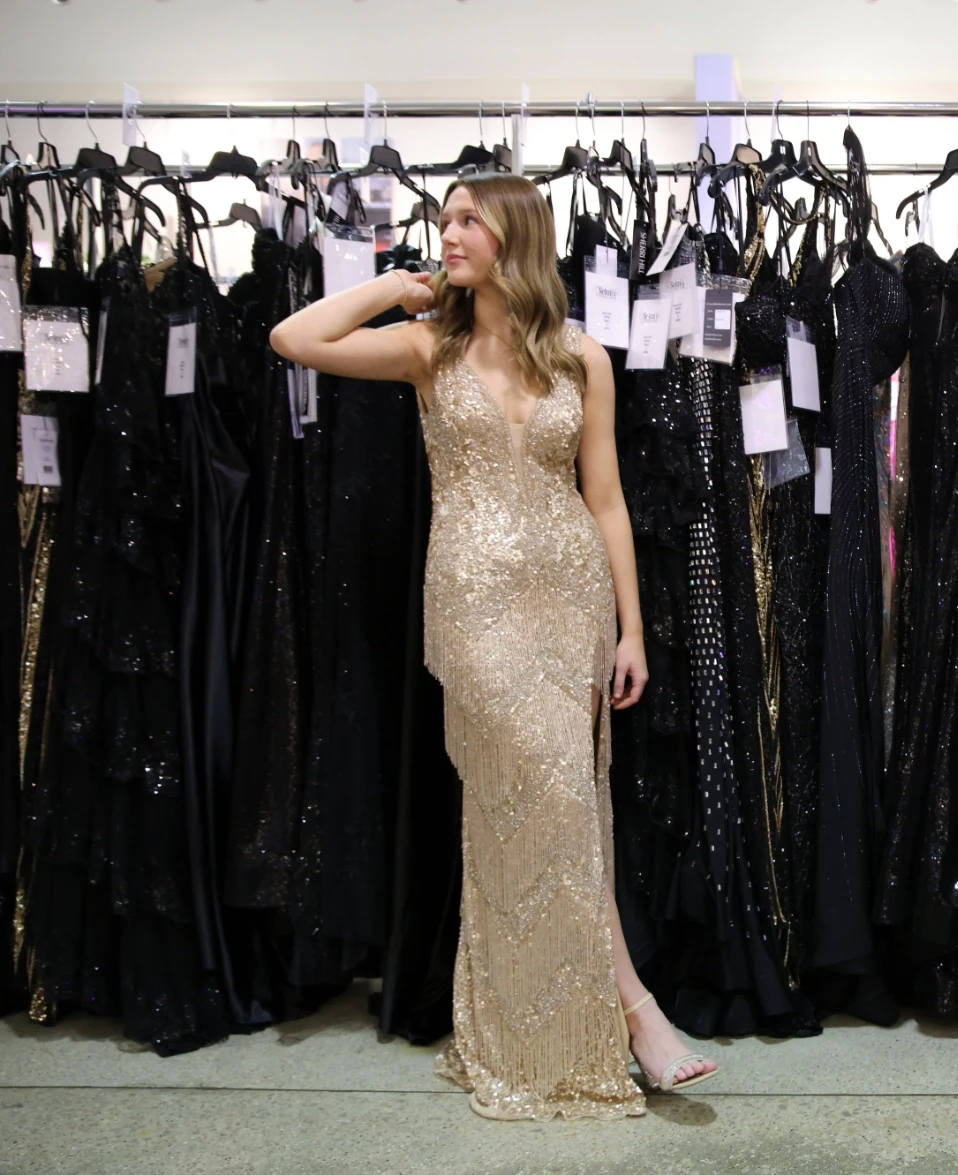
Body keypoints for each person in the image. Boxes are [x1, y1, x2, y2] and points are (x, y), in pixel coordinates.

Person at [271, 173, 717, 1120]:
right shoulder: (425, 348)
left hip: (570, 598)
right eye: (443, 220)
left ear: (515, 234)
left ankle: (545, 1029)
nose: (449, 233)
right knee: (553, 791)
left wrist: (632, 628)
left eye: (467, 219)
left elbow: (605, 500)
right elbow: (293, 338)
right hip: (473, 603)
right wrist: (395, 285)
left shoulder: (582, 358)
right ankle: (637, 1011)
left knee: (557, 810)